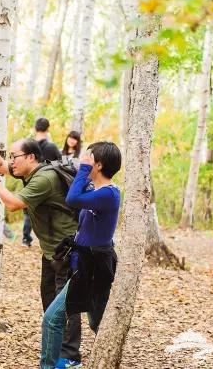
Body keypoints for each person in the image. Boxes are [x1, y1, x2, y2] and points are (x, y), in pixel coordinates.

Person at [0, 139, 82, 366]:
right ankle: (55, 349)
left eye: (14, 156)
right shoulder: (34, 172)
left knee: (65, 304)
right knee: (49, 300)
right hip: (52, 251)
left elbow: (13, 204)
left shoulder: (44, 179)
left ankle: (70, 357)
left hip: (67, 249)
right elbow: (9, 169)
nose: (10, 162)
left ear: (30, 157)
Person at [39, 141, 122, 369]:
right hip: (85, 266)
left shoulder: (109, 195)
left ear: (99, 164)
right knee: (91, 322)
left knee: (91, 322)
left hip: (95, 268)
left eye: (89, 157)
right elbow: (74, 192)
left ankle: (104, 359)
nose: (84, 160)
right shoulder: (96, 192)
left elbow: (72, 199)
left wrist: (84, 169)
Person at [23, 118, 63, 247]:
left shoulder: (28, 146)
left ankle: (26, 239)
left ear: (35, 128)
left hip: (30, 186)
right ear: (47, 129)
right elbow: (60, 165)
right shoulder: (51, 147)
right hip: (50, 189)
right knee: (50, 215)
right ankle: (51, 242)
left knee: (29, 214)